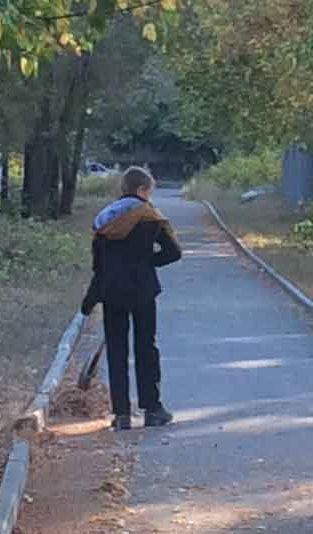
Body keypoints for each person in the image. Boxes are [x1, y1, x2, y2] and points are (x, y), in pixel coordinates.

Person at [81, 166, 182, 430]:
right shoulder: (149, 217)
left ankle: (121, 415)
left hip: (112, 292)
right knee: (146, 347)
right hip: (142, 290)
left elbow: (98, 265)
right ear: (141, 190)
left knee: (117, 351)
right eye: (149, 191)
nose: (150, 197)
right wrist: (148, 262)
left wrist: (91, 298)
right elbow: (173, 252)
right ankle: (152, 409)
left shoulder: (105, 219)